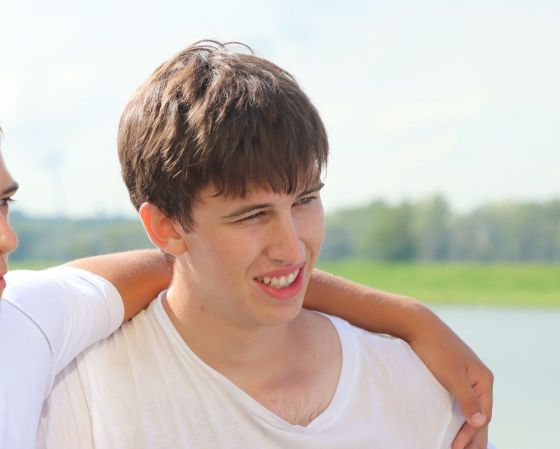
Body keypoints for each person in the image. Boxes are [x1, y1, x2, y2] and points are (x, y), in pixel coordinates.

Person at [0, 51, 490, 449]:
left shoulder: (24, 328)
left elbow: (189, 263)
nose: (3, 236)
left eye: (2, 203)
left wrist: (409, 318)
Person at [38, 41, 493, 449]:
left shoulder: (420, 384)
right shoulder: (81, 401)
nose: (292, 249)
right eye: (252, 215)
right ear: (165, 227)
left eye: (305, 200)